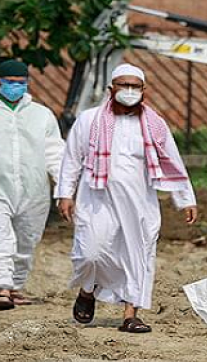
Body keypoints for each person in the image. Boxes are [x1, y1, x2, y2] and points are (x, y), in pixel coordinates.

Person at [57, 63, 198, 334]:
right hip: (96, 200)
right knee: (90, 253)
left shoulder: (155, 125)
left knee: (138, 255)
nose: (129, 91)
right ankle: (88, 291)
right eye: (124, 85)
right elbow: (72, 158)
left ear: (144, 90)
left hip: (139, 202)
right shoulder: (89, 120)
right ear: (112, 89)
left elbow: (172, 162)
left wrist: (186, 199)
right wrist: (65, 193)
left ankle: (131, 314)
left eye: (135, 86)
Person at [0, 59, 65, 310]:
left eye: (20, 83)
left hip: (34, 189)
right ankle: (1, 288)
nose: (15, 87)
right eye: (10, 82)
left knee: (27, 240)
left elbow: (54, 152)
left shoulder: (41, 115)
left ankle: (15, 286)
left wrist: (64, 186)